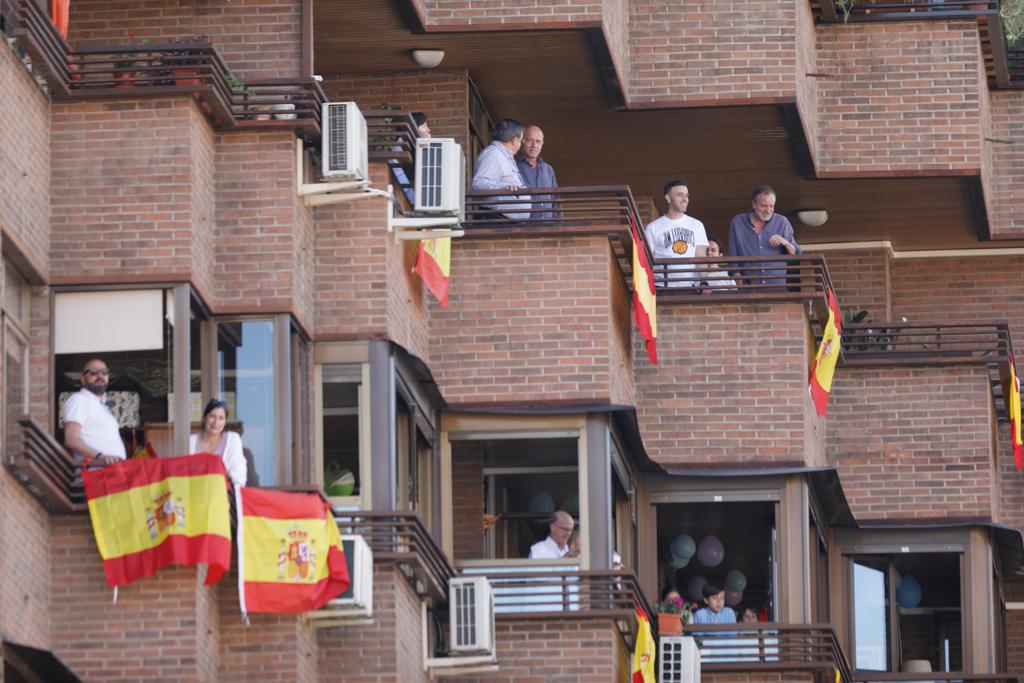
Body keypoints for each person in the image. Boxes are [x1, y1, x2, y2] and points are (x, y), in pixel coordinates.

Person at [727, 185, 800, 286]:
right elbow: (733, 258)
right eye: (764, 206)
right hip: (749, 289)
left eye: (771, 206)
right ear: (753, 204)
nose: (768, 210)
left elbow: (796, 254)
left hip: (777, 288)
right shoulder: (737, 222)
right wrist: (740, 285)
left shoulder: (782, 222)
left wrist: (785, 242)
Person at [644, 179, 709, 289]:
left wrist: (703, 282)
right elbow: (646, 261)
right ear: (668, 198)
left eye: (687, 195)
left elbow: (700, 256)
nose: (685, 199)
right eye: (680, 195)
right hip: (661, 286)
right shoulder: (652, 228)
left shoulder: (697, 225)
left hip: (691, 286)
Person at [63, 359, 127, 468]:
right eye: (93, 372)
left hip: (112, 473)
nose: (100, 376)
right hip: (95, 475)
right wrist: (100, 457)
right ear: (83, 379)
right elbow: (71, 439)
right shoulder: (79, 400)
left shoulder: (101, 406)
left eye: (104, 372)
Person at [471, 118, 531, 220]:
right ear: (514, 140)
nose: (521, 144)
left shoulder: (504, 156)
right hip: (495, 220)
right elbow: (478, 183)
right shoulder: (493, 154)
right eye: (521, 140)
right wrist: (504, 187)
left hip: (503, 221)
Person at [189, 399, 247, 487]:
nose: (216, 422)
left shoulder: (232, 440)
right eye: (212, 416)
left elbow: (239, 477)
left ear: (225, 422)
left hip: (223, 496)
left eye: (221, 418)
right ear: (205, 418)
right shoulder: (191, 441)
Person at [515, 125, 558, 220]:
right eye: (530, 140)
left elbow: (555, 200)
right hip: (524, 228)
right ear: (522, 141)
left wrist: (559, 225)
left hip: (548, 227)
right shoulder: (513, 166)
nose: (534, 145)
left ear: (542, 144)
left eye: (538, 141)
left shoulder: (548, 169)